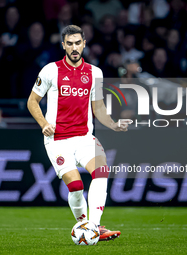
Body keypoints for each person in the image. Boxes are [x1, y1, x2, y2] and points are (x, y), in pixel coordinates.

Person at [27, 25, 130, 241]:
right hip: (57, 139)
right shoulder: (50, 70)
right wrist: (43, 123)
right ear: (63, 45)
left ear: (84, 43)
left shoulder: (95, 73)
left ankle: (94, 226)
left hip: (84, 138)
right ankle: (85, 223)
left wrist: (113, 124)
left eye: (78, 43)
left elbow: (98, 108)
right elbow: (32, 102)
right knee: (75, 186)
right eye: (70, 43)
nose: (74, 47)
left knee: (101, 171)